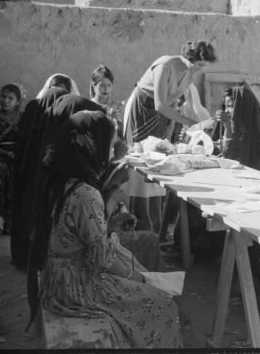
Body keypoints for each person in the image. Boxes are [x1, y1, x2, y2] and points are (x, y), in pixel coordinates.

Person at [27, 111, 182, 348]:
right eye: (109, 147)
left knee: (137, 271)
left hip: (58, 279)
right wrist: (143, 280)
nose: (111, 153)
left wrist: (107, 223)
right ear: (92, 146)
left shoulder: (61, 178)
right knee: (163, 303)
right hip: (75, 287)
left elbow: (71, 234)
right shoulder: (86, 193)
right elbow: (100, 260)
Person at [123, 40, 217, 233]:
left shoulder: (189, 72)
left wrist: (172, 126)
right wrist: (189, 122)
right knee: (142, 161)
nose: (200, 69)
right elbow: (160, 104)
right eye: (199, 64)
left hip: (162, 114)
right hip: (143, 110)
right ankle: (141, 220)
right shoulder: (165, 66)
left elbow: (172, 101)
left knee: (159, 157)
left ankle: (156, 224)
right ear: (189, 58)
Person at [11, 73, 77, 269]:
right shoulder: (36, 108)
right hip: (35, 172)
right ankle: (32, 258)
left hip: (35, 172)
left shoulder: (41, 109)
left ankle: (31, 257)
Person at [0, 84, 24, 235]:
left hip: (18, 155)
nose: (5, 100)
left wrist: (17, 154)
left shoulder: (23, 118)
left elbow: (27, 141)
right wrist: (7, 154)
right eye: (3, 96)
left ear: (18, 101)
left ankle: (11, 222)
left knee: (17, 183)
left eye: (10, 98)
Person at [212, 86, 260, 170]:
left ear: (243, 108)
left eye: (231, 106)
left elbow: (230, 161)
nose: (226, 111)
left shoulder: (255, 136)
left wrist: (228, 129)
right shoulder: (229, 125)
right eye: (225, 107)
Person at [89, 64, 124, 134]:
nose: (106, 89)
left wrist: (119, 123)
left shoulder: (119, 107)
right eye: (102, 85)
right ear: (94, 87)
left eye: (109, 85)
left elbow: (125, 134)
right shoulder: (88, 106)